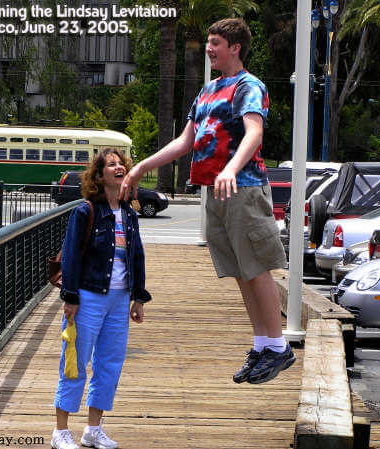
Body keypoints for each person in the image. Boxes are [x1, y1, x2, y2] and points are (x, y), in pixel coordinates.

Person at [120, 18, 295, 385]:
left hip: (242, 188)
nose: (210, 48)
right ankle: (262, 343)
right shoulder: (207, 91)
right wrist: (140, 169)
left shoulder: (248, 86)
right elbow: (185, 142)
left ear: (235, 47)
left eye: (216, 43)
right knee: (239, 271)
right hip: (215, 192)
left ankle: (278, 347)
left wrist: (231, 169)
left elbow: (254, 132)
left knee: (256, 266)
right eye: (209, 41)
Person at [52, 148, 151, 449]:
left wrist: (138, 298)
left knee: (109, 364)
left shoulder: (130, 214)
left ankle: (93, 429)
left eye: (122, 164)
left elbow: (137, 257)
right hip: (88, 298)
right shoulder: (85, 211)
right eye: (112, 165)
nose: (119, 168)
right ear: (99, 175)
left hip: (119, 300)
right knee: (75, 362)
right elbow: (70, 257)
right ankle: (60, 431)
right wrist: (70, 296)